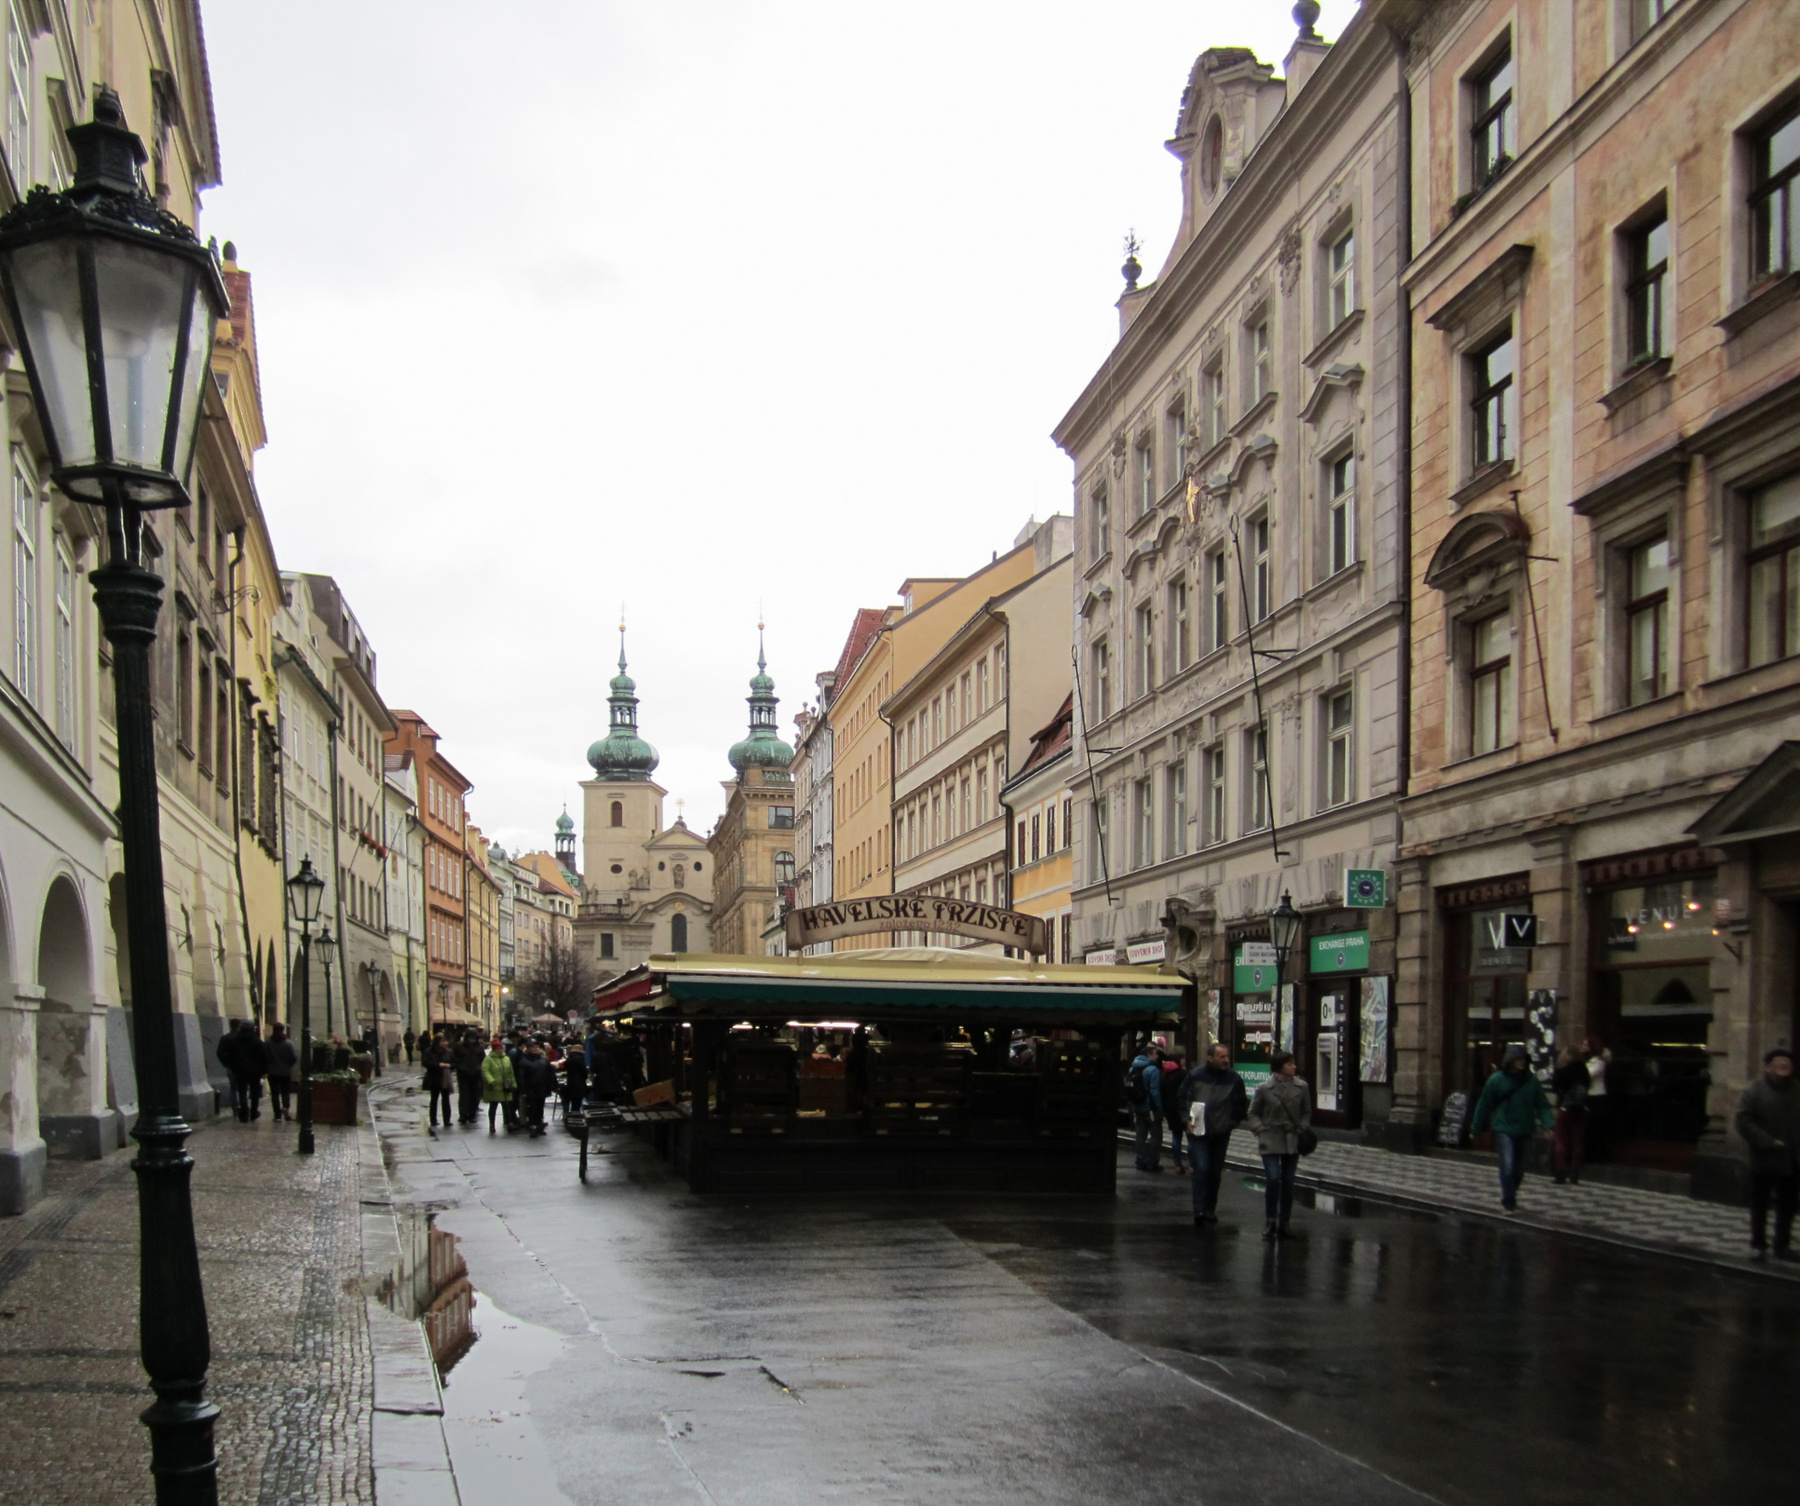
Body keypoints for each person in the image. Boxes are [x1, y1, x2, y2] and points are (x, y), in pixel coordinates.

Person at [1735, 1046, 1800, 1263]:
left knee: (1788, 1205)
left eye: (1787, 1064)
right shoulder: (1754, 1090)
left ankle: (1782, 1245)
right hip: (1764, 1158)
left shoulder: (1797, 1090)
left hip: (1792, 1160)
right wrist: (1767, 1142)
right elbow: (1743, 1121)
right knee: (1760, 1205)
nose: (1784, 1067)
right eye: (1779, 1063)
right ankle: (1758, 1245)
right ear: (1768, 1067)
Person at [1471, 1043, 1553, 1212]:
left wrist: (1548, 1124)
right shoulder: (1496, 1080)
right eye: (1518, 1059)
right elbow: (1484, 1104)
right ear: (1510, 1060)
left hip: (1524, 1128)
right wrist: (1475, 1128)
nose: (1522, 1062)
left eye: (1524, 1059)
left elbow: (1542, 1105)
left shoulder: (1531, 1081)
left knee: (1519, 1169)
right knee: (1507, 1165)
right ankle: (1508, 1201)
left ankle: (1511, 1192)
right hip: (1504, 1127)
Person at [1180, 1042, 1249, 1226]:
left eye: (1227, 1056)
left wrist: (1232, 1122)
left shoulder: (1233, 1078)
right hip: (1198, 1130)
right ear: (1210, 1058)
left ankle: (1210, 1208)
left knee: (1215, 1172)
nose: (1226, 1060)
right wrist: (1186, 1119)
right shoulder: (1195, 1075)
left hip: (1221, 1131)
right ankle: (1199, 1209)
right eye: (1222, 1057)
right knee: (1201, 1168)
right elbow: (1182, 1098)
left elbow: (1241, 1103)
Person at [1246, 1051, 1311, 1240]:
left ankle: (1285, 1222)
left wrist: (1303, 1127)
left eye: (1293, 1063)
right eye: (1289, 1064)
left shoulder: (1302, 1087)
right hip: (1271, 1137)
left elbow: (1306, 1111)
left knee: (1288, 1182)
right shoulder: (1265, 1088)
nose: (1294, 1067)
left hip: (1291, 1138)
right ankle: (1270, 1220)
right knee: (1273, 1178)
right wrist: (1259, 1129)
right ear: (1280, 1067)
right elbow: (1253, 1112)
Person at [1551, 1045, 1591, 1185]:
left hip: (1564, 1108)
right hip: (1580, 1109)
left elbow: (1555, 1088)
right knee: (1578, 1140)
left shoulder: (1562, 1070)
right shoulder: (1584, 1070)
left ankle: (1560, 1172)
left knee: (1561, 1140)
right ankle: (1575, 1172)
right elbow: (1587, 1086)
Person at [1127, 1044, 1164, 1172]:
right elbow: (1155, 1091)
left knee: (1140, 1135)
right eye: (1155, 1054)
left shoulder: (1133, 1068)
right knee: (1156, 1135)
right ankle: (1152, 1162)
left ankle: (1141, 1160)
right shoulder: (1152, 1070)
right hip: (1150, 1107)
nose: (1157, 1056)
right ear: (1149, 1055)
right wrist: (1159, 1108)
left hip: (1138, 1106)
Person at [517, 1042, 556, 1138]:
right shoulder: (524, 1061)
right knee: (533, 1108)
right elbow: (521, 1077)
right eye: (533, 1047)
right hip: (531, 1089)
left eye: (537, 1047)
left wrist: (554, 1084)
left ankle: (539, 1126)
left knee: (540, 1107)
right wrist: (523, 1090)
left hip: (542, 1087)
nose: (536, 1049)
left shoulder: (544, 1059)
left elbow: (550, 1073)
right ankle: (533, 1126)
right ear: (528, 1048)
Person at [1160, 1051, 1189, 1174]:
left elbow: (1163, 1093)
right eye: (1183, 1058)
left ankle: (1177, 1164)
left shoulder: (1165, 1075)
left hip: (1171, 1109)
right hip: (1184, 1108)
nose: (1184, 1060)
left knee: (1176, 1137)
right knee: (1191, 1137)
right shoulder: (1184, 1075)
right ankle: (1193, 1164)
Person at [481, 1037, 518, 1133]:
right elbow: (485, 1071)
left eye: (501, 1048)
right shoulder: (488, 1059)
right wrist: (490, 1080)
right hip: (494, 1087)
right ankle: (492, 1124)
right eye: (498, 1049)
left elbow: (511, 1072)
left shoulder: (507, 1059)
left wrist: (513, 1083)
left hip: (506, 1087)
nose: (500, 1050)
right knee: (493, 1106)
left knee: (507, 1107)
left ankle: (509, 1123)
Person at [421, 1033, 455, 1128]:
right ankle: (433, 1120)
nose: (445, 1043)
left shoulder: (449, 1052)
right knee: (434, 1099)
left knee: (446, 1099)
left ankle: (447, 1120)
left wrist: (450, 1065)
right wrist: (437, 1065)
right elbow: (425, 1062)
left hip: (445, 1078)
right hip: (433, 1078)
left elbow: (455, 1063)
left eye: (445, 1041)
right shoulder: (428, 1052)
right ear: (437, 1042)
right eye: (443, 1041)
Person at [453, 1030, 486, 1126]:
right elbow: (454, 1058)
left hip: (475, 1074)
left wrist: (479, 1068)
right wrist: (460, 1067)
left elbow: (482, 1059)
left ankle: (472, 1115)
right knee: (464, 1095)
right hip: (463, 1074)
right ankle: (463, 1115)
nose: (473, 1040)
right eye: (471, 1037)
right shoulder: (459, 1046)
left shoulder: (479, 1047)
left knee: (475, 1095)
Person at [266, 1023, 297, 1121]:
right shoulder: (288, 1043)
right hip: (285, 1072)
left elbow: (264, 1056)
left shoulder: (268, 1043)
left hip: (272, 1072)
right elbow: (293, 1057)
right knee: (285, 1092)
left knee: (274, 1094)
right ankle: (286, 1108)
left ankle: (277, 1115)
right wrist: (288, 1065)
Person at [562, 1048, 587, 1119]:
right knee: (576, 1103)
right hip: (579, 1083)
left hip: (570, 1083)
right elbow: (584, 1071)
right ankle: (575, 1117)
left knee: (568, 1099)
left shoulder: (568, 1060)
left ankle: (567, 1115)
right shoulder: (579, 1059)